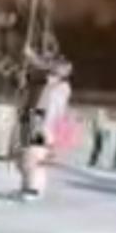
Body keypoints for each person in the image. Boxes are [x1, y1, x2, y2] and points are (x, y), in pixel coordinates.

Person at [16, 59, 72, 199]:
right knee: (24, 157)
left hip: (41, 122)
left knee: (33, 157)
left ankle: (33, 189)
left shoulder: (60, 87)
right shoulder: (42, 83)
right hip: (32, 118)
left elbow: (53, 106)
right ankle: (27, 186)